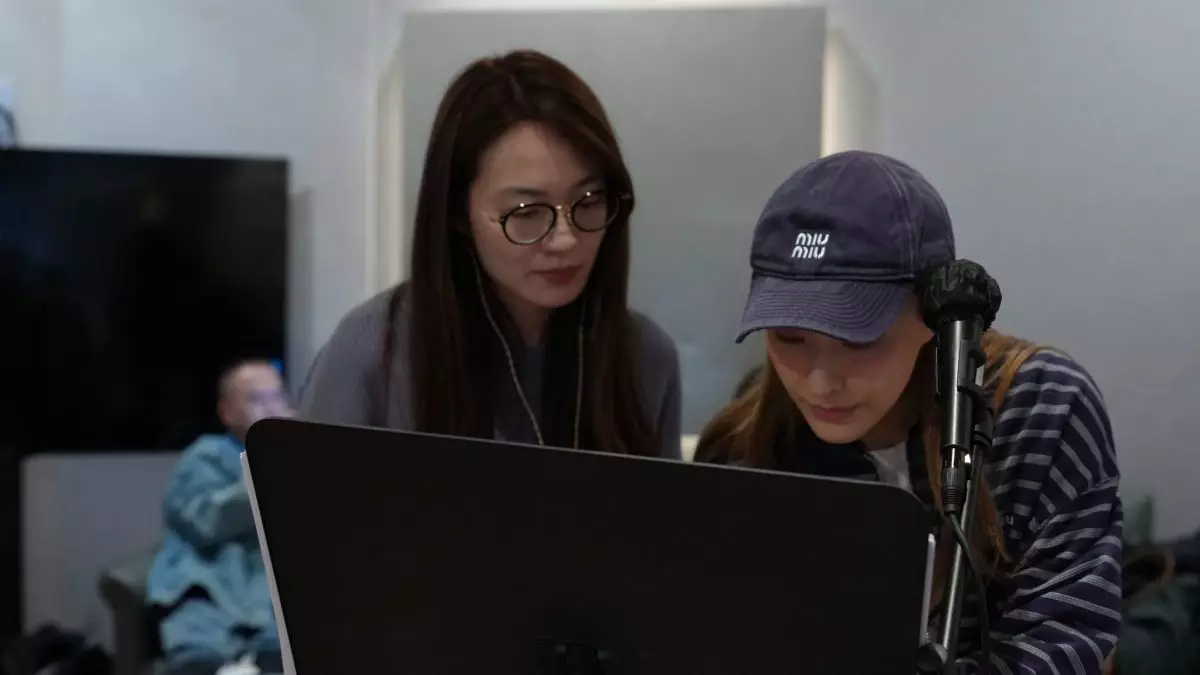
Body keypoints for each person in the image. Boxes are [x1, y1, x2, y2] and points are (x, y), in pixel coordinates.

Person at [695, 151, 1121, 674]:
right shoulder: (746, 443)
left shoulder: (1044, 409)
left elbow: (1067, 641)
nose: (820, 382)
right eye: (788, 338)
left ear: (937, 310)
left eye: (858, 339)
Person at [301, 50, 681, 458]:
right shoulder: (373, 352)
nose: (566, 239)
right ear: (457, 213)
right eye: (527, 212)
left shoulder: (645, 357)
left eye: (588, 201)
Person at [146, 360, 295, 675]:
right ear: (227, 412)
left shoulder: (298, 457)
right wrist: (264, 468)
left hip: (273, 595)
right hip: (214, 582)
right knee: (198, 648)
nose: (271, 408)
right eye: (257, 399)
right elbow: (205, 522)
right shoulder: (206, 455)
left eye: (277, 397)